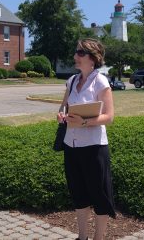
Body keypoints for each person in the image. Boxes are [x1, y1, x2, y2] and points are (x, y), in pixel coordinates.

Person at [57, 38, 115, 240]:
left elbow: (109, 116)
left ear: (92, 58)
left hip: (94, 148)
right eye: (76, 52)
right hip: (71, 146)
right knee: (78, 193)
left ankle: (99, 238)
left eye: (80, 53)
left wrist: (83, 122)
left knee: (99, 195)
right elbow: (63, 107)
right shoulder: (72, 81)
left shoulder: (100, 81)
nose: (75, 56)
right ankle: (82, 237)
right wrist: (62, 115)